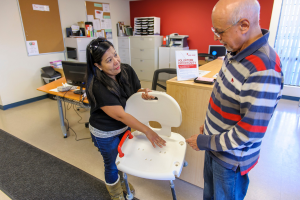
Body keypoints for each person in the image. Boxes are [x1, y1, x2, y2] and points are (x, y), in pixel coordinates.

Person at [186, 0, 284, 199]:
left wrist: (205, 141)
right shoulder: (234, 49)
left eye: (220, 32)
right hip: (215, 145)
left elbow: (248, 133)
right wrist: (209, 127)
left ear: (244, 25)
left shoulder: (264, 69)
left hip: (230, 160)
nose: (216, 37)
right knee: (209, 195)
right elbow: (223, 93)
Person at [85, 37, 166, 200]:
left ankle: (122, 182)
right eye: (109, 60)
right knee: (112, 164)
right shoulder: (98, 86)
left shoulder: (126, 70)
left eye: (115, 55)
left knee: (123, 158)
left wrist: (143, 92)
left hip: (123, 127)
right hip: (105, 133)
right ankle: (115, 193)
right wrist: (148, 131)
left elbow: (134, 90)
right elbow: (121, 115)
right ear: (98, 66)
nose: (116, 61)